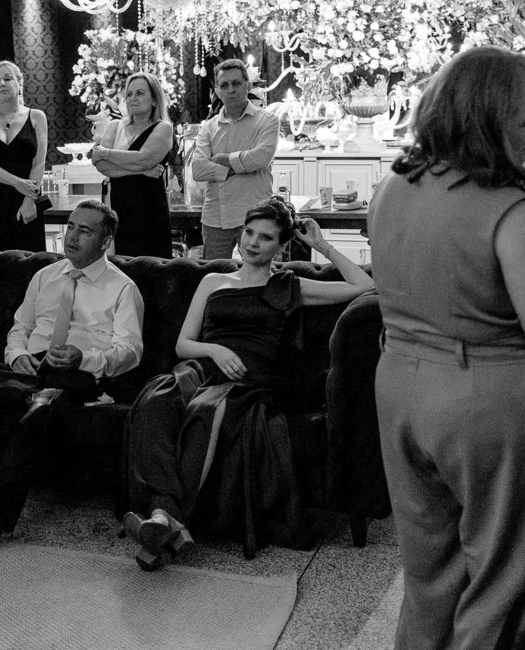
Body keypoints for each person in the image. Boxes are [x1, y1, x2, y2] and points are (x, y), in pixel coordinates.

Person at [369, 47, 525, 650]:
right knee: (503, 578)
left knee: (429, 575)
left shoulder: (395, 184)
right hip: (487, 400)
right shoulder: (504, 204)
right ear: (487, 117)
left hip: (401, 386)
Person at [123, 197, 372, 569]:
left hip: (248, 379)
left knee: (206, 409)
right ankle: (166, 519)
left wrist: (322, 246)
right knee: (156, 399)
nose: (253, 242)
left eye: (266, 237)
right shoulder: (213, 280)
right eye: (249, 232)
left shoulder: (289, 286)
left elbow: (364, 286)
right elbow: (183, 344)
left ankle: (163, 519)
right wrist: (215, 350)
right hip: (202, 365)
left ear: (281, 246)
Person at [0, 200, 144, 544]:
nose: (72, 236)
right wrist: (18, 354)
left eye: (85, 230)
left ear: (106, 241)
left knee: (46, 401)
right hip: (30, 370)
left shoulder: (123, 288)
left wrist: (83, 357)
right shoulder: (44, 276)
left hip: (77, 373)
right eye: (71, 227)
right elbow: (20, 328)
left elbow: (131, 351)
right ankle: (32, 395)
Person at [191, 59, 280, 259]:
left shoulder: (267, 121)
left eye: (236, 83)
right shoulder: (209, 127)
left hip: (255, 216)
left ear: (247, 85)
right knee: (216, 273)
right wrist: (237, 167)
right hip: (215, 217)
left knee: (258, 273)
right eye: (224, 85)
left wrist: (223, 158)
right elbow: (198, 169)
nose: (230, 90)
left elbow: (261, 158)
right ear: (217, 91)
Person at [91, 72, 174, 258]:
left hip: (150, 208)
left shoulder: (163, 127)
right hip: (117, 203)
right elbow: (102, 166)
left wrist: (106, 153)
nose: (133, 98)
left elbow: (143, 158)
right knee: (119, 261)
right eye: (129, 94)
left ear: (154, 99)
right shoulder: (115, 126)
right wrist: (143, 171)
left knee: (151, 263)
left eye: (140, 93)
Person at [0, 60, 49, 252]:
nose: (2, 83)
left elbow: (38, 163)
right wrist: (17, 182)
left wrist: (29, 199)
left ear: (19, 83)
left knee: (28, 258)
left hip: (25, 199)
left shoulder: (36, 117)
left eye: (8, 78)